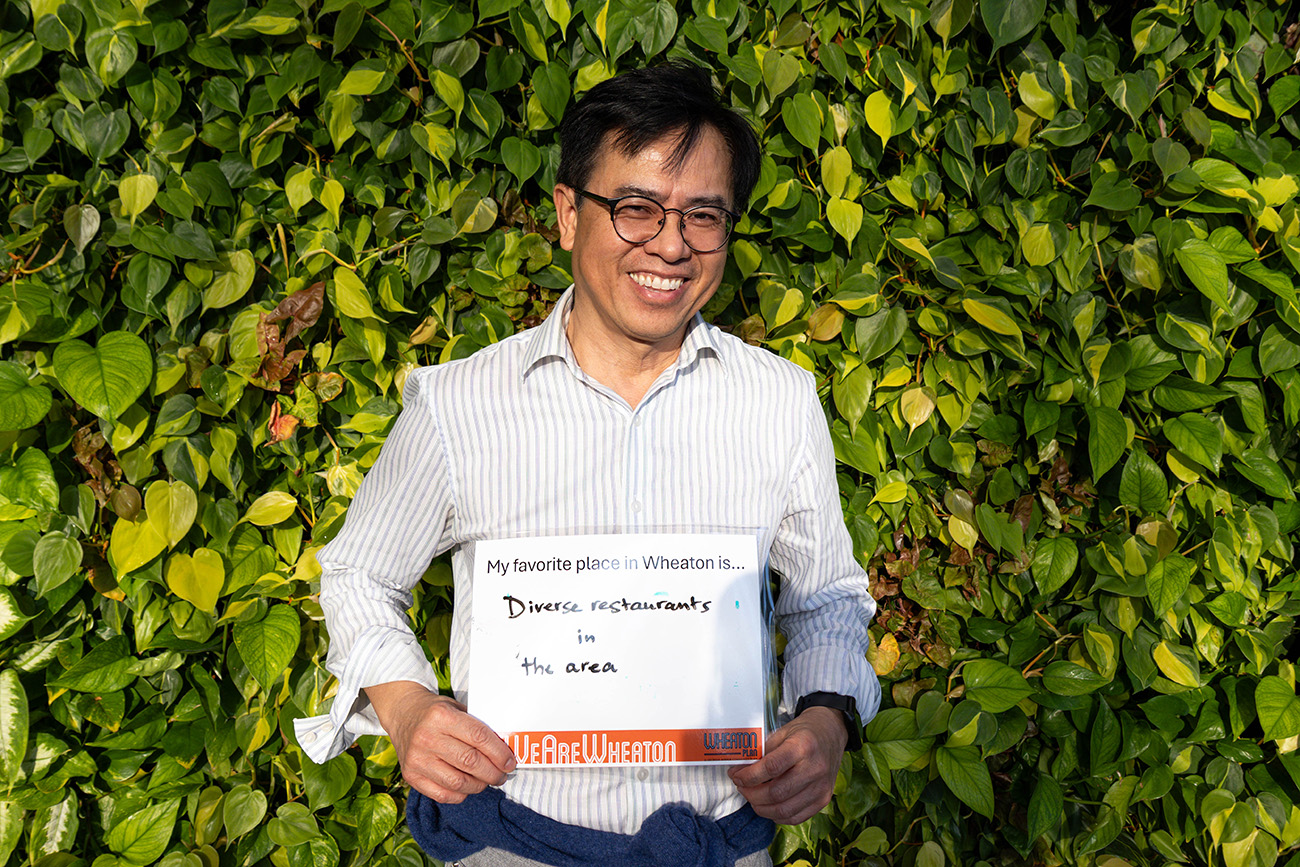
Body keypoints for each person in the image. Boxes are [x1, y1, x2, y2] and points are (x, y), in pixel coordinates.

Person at [295, 62, 880, 867]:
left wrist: (823, 719)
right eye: (636, 208)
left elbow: (829, 596)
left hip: (718, 846)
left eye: (703, 216)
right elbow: (359, 573)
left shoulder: (779, 401)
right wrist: (405, 708)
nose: (671, 245)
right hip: (510, 842)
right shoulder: (459, 404)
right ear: (570, 214)